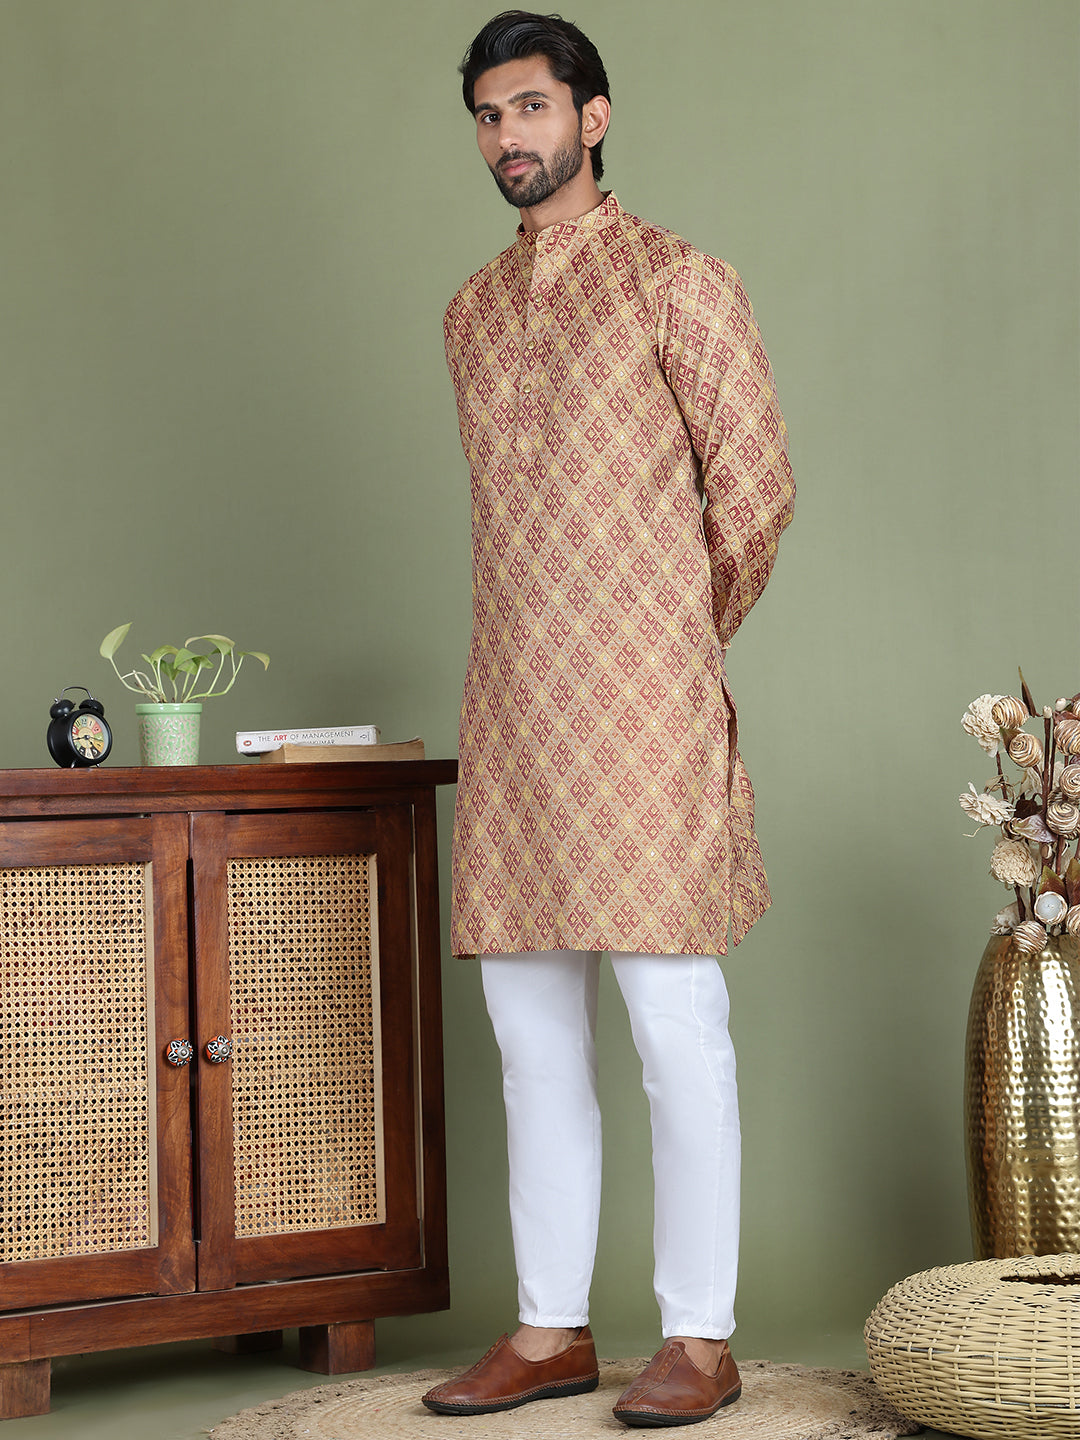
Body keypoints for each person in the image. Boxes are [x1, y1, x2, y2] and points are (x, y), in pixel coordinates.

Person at [422, 10, 794, 1428]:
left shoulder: (680, 282)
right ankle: (549, 1329)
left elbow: (755, 493)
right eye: (488, 113)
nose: (508, 134)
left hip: (642, 709)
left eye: (531, 105)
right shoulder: (471, 313)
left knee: (673, 1027)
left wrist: (666, 640)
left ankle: (699, 1336)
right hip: (514, 710)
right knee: (530, 1042)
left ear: (595, 116)